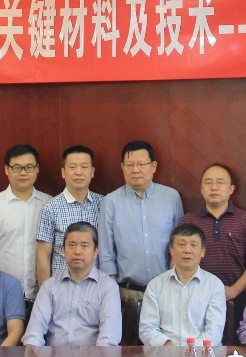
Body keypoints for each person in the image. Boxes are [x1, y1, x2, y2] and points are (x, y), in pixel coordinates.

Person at [99, 140, 184, 299]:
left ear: (153, 166)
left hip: (166, 290)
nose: (135, 170)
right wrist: (110, 294)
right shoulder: (111, 201)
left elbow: (180, 242)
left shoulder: (171, 197)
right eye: (130, 165)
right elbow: (106, 252)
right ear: (122, 167)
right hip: (128, 292)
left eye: (141, 164)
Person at [23, 222, 122, 346]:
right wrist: (33, 353)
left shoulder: (108, 287)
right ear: (63, 250)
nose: (77, 251)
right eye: (71, 245)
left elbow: (108, 339)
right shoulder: (49, 286)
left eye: (84, 246)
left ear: (96, 251)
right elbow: (34, 333)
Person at [178, 163, 246, 299]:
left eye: (220, 182)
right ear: (201, 189)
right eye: (208, 182)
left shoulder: (245, 219)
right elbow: (176, 259)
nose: (214, 187)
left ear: (231, 189)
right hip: (195, 297)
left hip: (236, 298)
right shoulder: (188, 221)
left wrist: (234, 290)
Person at [0, 144, 52, 299]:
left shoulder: (49, 204)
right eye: (17, 168)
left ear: (37, 169)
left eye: (29, 167)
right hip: (0, 293)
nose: (23, 173)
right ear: (7, 169)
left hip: (40, 294)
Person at [138, 223, 226, 346]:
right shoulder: (155, 285)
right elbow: (147, 329)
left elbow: (214, 333)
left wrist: (189, 352)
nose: (187, 250)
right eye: (182, 244)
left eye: (193, 245)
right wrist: (170, 348)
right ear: (171, 250)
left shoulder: (214, 285)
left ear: (203, 251)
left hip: (203, 354)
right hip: (165, 353)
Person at [36, 145, 104, 287]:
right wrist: (45, 293)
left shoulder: (104, 204)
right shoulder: (50, 208)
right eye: (72, 167)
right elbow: (43, 256)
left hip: (96, 288)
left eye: (84, 167)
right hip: (61, 288)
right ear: (63, 172)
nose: (78, 172)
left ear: (92, 172)